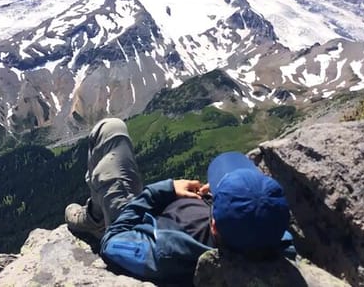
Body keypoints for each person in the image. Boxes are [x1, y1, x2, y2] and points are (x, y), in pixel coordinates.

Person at [65, 118, 296, 284]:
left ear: (214, 224)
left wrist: (163, 190)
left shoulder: (166, 253)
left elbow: (111, 242)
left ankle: (96, 218)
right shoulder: (274, 237)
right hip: (196, 216)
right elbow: (253, 212)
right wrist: (217, 196)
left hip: (132, 220)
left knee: (111, 129)